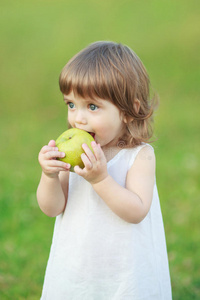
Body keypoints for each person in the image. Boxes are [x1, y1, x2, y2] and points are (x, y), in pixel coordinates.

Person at [37, 41, 172, 300]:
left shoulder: (140, 156)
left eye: (93, 107)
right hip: (77, 267)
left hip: (125, 271)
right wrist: (49, 176)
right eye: (71, 104)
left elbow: (136, 211)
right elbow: (52, 208)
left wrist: (100, 180)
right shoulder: (73, 156)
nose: (78, 119)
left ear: (129, 111)